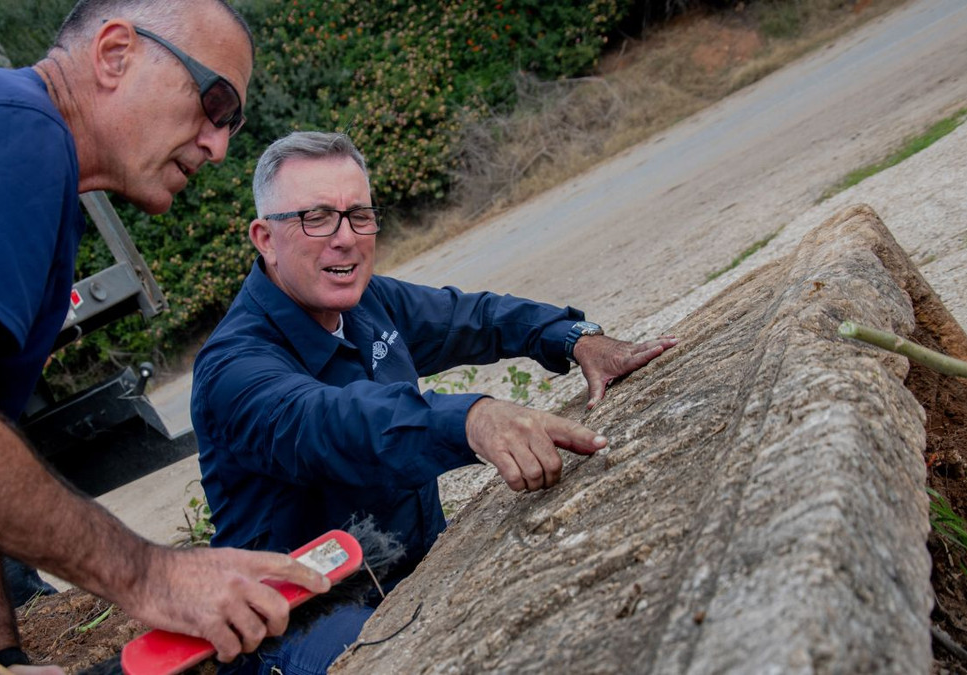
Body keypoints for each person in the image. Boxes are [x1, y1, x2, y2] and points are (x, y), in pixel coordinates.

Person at [0, 2, 330, 673]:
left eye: (231, 123)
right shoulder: (14, 126)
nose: (219, 144)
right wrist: (153, 576)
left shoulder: (31, 188)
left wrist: (4, 655)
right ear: (116, 53)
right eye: (214, 101)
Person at [190, 131, 677, 673]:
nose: (345, 238)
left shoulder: (369, 302)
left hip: (414, 567)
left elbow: (473, 318)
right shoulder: (233, 370)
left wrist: (575, 337)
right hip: (300, 617)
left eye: (359, 215)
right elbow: (335, 426)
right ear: (264, 237)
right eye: (317, 218)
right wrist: (472, 418)